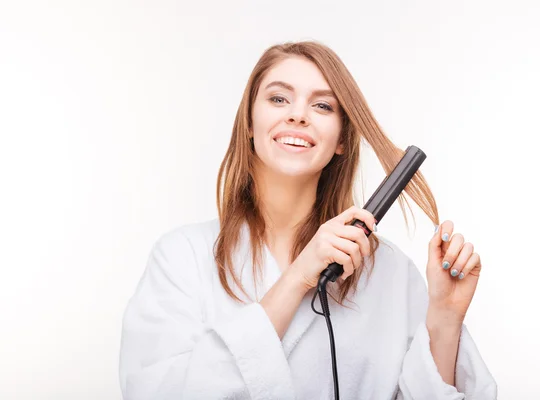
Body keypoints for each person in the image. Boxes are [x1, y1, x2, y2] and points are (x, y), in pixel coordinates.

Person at [119, 40, 497, 399]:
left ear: (343, 140)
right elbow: (154, 392)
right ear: (250, 123)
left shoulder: (389, 272)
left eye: (322, 106)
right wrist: (299, 277)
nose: (297, 114)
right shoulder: (182, 257)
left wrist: (445, 318)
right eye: (278, 98)